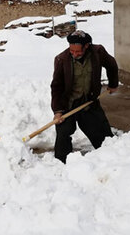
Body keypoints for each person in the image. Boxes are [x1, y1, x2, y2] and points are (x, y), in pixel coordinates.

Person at [50, 30, 118, 163]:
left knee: (103, 137)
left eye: (78, 52)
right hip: (68, 104)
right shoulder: (61, 59)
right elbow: (56, 87)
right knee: (63, 134)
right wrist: (58, 111)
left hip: (89, 101)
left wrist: (113, 83)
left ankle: (110, 160)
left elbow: (111, 64)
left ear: (86, 46)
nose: (74, 54)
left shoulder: (97, 52)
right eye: (72, 51)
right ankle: (61, 164)